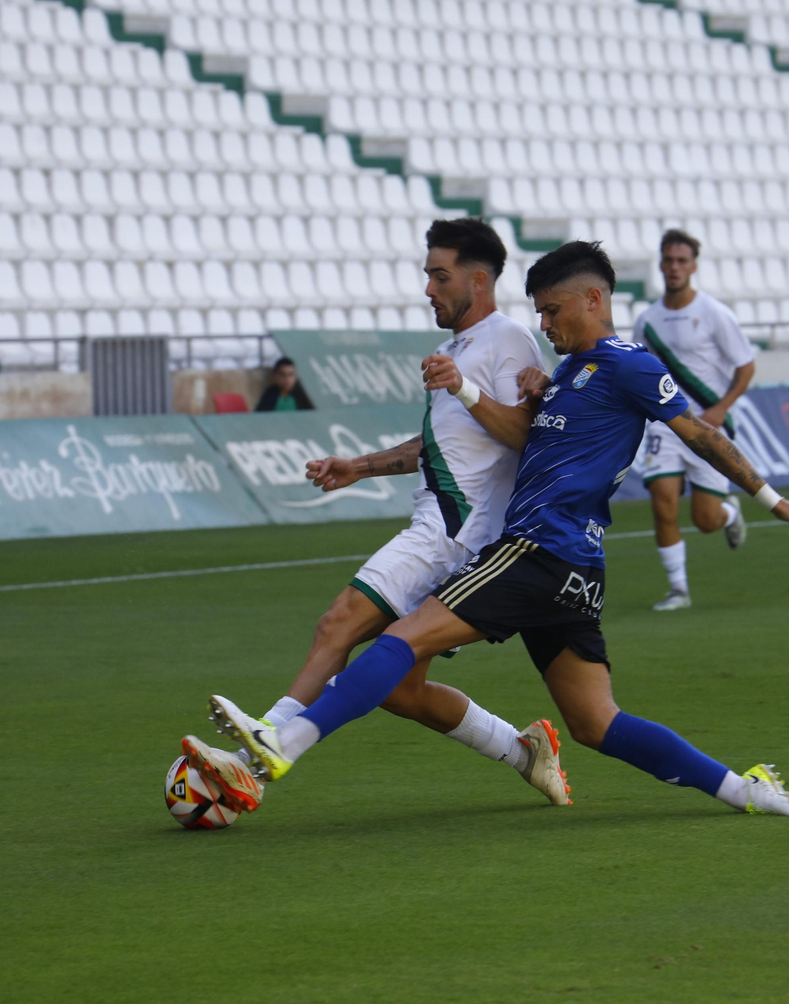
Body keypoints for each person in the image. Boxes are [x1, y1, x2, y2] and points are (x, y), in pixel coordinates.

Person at [213, 241, 789, 818]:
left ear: (594, 300)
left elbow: (699, 433)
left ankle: (282, 745)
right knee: (595, 723)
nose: (544, 324)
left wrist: (774, 501)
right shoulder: (567, 374)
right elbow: (502, 439)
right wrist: (536, 392)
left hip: (537, 550)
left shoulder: (629, 364)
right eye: (538, 311)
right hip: (577, 570)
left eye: (553, 310)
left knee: (400, 641)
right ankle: (745, 790)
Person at [181, 219, 566, 812]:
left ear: (478, 280)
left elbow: (526, 438)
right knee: (401, 690)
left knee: (340, 621)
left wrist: (464, 389)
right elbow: (444, 444)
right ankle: (524, 753)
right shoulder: (452, 351)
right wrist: (359, 467)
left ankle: (264, 744)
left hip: (456, 534)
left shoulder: (509, 339)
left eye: (440, 276)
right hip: (442, 528)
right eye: (428, 275)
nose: (429, 289)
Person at [632, 229, 757, 611]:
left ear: (693, 266)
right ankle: (678, 590)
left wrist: (721, 408)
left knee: (705, 520)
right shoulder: (647, 320)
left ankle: (729, 514)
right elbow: (638, 371)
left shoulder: (715, 313)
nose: (674, 267)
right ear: (660, 264)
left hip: (707, 426)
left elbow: (746, 367)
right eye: (669, 260)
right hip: (666, 426)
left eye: (682, 261)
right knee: (663, 502)